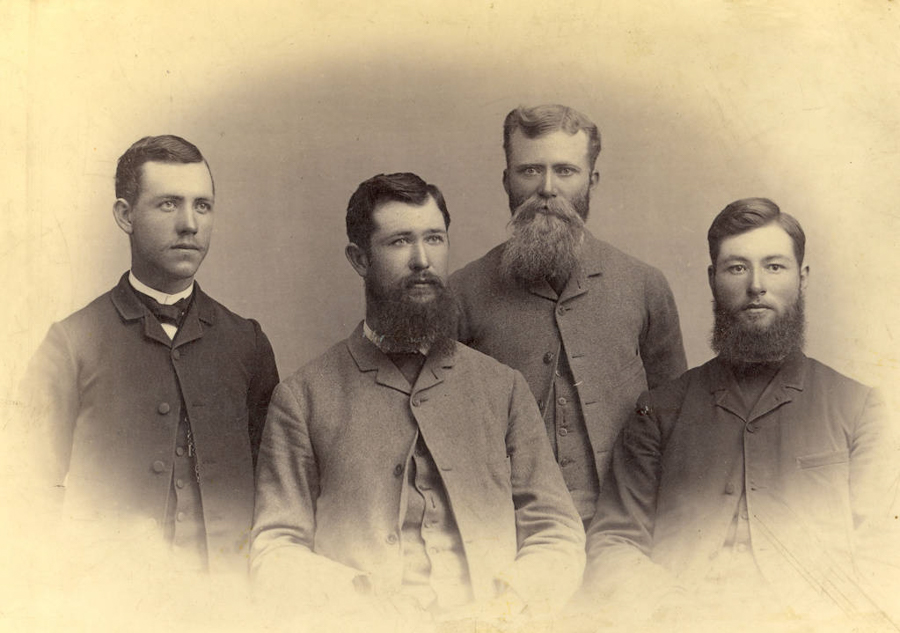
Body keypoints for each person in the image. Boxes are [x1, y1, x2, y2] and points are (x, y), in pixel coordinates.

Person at [251, 172, 584, 629]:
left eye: (434, 238)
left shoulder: (501, 387)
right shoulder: (304, 397)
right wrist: (357, 603)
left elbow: (557, 530)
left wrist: (507, 608)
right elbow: (274, 548)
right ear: (359, 259)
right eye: (400, 242)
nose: (422, 260)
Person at [583, 198, 899, 626]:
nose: (756, 286)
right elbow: (613, 543)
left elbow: (885, 548)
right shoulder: (657, 411)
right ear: (713, 279)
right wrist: (671, 608)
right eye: (737, 268)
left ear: (802, 279)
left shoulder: (858, 408)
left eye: (774, 266)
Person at [22, 135, 280, 574]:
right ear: (125, 215)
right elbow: (23, 491)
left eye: (203, 206)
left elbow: (278, 490)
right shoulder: (72, 342)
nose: (190, 225)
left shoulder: (246, 342)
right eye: (168, 204)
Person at [449, 104, 687, 524]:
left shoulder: (645, 285)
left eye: (565, 171)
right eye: (529, 171)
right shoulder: (463, 293)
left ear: (591, 180)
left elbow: (676, 424)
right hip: (507, 524)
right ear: (506, 180)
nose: (546, 188)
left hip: (626, 521)